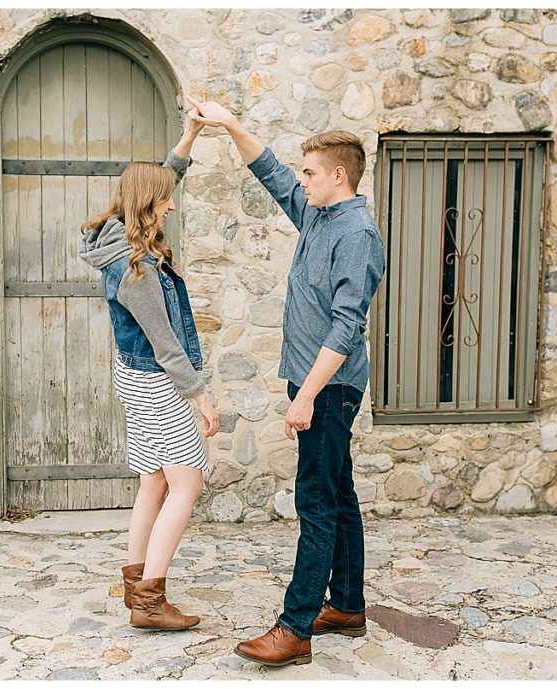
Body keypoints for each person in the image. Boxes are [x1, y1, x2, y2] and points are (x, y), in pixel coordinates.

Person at [189, 96, 385, 666]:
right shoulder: (319, 215)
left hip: (329, 388)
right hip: (313, 384)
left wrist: (306, 395)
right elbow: (271, 173)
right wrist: (229, 125)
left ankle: (295, 627)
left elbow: (348, 324)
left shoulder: (356, 234)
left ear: (338, 175)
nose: (302, 180)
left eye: (311, 172)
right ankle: (346, 605)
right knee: (339, 492)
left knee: (316, 502)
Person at [78, 111, 220, 632]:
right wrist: (200, 397)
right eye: (165, 200)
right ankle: (151, 601)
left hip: (132, 378)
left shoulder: (116, 237)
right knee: (187, 484)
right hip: (158, 383)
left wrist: (190, 135)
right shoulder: (135, 268)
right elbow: (165, 342)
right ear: (146, 205)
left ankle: (135, 585)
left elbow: (165, 175)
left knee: (154, 483)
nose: (172, 203)